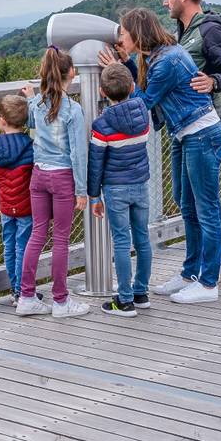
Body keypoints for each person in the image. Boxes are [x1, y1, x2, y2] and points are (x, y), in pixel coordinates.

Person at [117, 8, 221, 303]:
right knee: (187, 205)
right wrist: (129, 62)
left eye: (122, 33)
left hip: (202, 134)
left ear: (136, 34)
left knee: (206, 208)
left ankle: (208, 284)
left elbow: (144, 102)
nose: (119, 38)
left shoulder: (165, 62)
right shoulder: (160, 55)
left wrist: (122, 70)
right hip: (187, 134)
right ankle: (190, 273)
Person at [165, 0, 221, 279]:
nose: (166, 1)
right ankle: (218, 260)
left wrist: (213, 82)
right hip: (181, 126)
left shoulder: (209, 29)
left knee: (201, 203)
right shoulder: (182, 33)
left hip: (207, 125)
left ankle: (203, 272)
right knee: (184, 199)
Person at [15, 46, 91, 318]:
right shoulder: (73, 110)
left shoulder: (35, 105)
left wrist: (33, 97)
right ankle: (61, 301)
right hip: (61, 178)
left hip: (39, 175)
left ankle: (26, 296)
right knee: (60, 239)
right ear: (71, 73)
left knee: (37, 234)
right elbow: (78, 153)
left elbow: (34, 133)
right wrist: (82, 190)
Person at [87, 62, 152, 317]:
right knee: (142, 238)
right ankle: (141, 292)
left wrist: (94, 196)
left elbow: (95, 164)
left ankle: (124, 300)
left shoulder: (101, 126)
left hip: (115, 189)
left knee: (122, 242)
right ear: (133, 87)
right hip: (141, 185)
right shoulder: (143, 115)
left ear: (102, 92)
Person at [0, 95, 42, 306]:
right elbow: (36, 176)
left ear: (1, 120)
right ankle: (23, 291)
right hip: (28, 207)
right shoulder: (31, 145)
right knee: (23, 246)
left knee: (9, 245)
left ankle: (16, 290)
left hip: (6, 206)